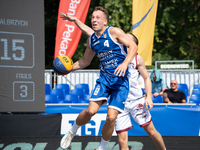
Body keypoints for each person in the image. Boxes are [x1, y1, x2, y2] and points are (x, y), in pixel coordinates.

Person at [60, 12, 166, 150]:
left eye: (98, 17)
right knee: (93, 113)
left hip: (127, 91)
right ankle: (73, 131)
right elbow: (87, 55)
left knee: (116, 120)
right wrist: (67, 69)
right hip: (105, 81)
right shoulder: (94, 39)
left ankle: (102, 147)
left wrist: (148, 96)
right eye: (92, 17)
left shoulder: (122, 42)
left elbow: (145, 74)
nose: (94, 20)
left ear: (105, 21)